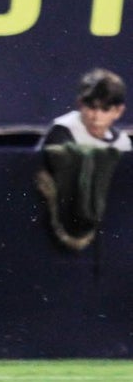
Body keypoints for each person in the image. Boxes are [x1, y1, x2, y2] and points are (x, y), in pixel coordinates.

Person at [35, 68, 130, 251]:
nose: (96, 117)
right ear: (80, 104)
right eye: (91, 107)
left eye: (105, 109)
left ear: (118, 111)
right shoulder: (63, 131)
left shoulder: (122, 143)